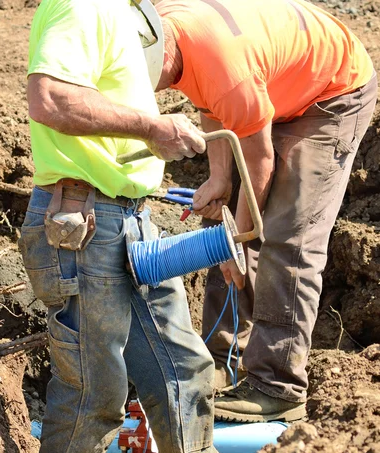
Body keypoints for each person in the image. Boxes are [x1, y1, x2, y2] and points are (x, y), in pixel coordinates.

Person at [21, 0, 233, 453]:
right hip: (83, 219)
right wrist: (150, 126)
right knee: (96, 383)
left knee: (183, 366)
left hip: (129, 219)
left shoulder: (123, 10)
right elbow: (51, 100)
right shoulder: (82, 5)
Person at [155, 0, 377, 423]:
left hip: (332, 93)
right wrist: (219, 178)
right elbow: (210, 101)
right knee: (224, 216)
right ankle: (220, 363)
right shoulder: (162, 26)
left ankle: (277, 384)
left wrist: (234, 241)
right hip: (270, 85)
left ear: (163, 55)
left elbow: (259, 162)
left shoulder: (223, 65)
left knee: (286, 232)